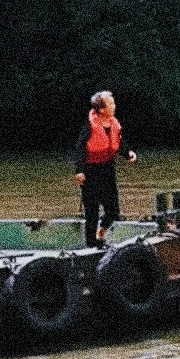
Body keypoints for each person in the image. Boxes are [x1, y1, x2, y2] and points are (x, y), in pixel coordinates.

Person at [71, 90, 137, 248]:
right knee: (92, 212)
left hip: (107, 168)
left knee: (113, 210)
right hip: (90, 170)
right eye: (111, 104)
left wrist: (128, 153)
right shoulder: (90, 124)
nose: (114, 106)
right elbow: (80, 148)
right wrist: (79, 170)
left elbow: (118, 143)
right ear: (101, 109)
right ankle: (91, 246)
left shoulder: (113, 123)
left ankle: (100, 233)